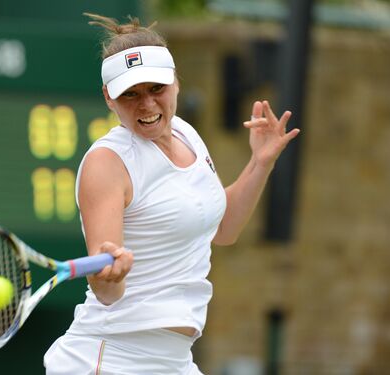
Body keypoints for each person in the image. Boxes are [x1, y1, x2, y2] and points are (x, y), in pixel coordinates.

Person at [44, 13, 300, 375]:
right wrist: (109, 275)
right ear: (108, 98)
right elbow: (106, 293)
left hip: (175, 361)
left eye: (155, 88)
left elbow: (224, 229)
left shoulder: (186, 134)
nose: (146, 105)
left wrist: (260, 163)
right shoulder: (106, 163)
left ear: (175, 82)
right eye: (130, 94)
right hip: (111, 359)